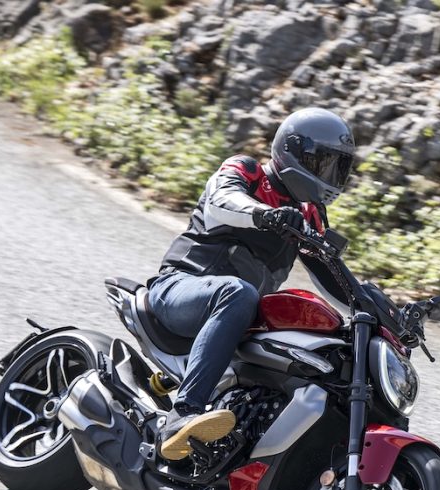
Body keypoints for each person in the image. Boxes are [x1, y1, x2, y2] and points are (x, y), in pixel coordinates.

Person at [149, 107, 357, 461]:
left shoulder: (308, 214)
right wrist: (264, 214)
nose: (329, 175)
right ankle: (182, 414)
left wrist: (389, 314)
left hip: (237, 316)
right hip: (178, 289)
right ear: (292, 151)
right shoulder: (247, 172)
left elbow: (334, 275)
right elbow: (222, 200)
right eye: (321, 163)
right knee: (239, 293)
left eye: (336, 166)